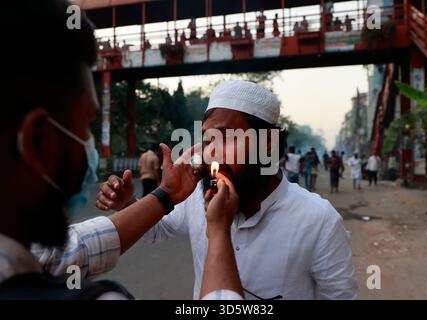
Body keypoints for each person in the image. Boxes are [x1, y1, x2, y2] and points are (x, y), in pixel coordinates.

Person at [0, 0, 245, 301]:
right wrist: (219, 232)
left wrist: (164, 195)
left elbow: (72, 250)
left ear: (268, 143)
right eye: (88, 125)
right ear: (38, 143)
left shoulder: (315, 217)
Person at [97, 80, 358, 299]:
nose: (211, 152)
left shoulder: (318, 219)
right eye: (208, 140)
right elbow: (158, 230)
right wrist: (129, 203)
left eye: (226, 138)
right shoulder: (196, 197)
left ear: (267, 145)